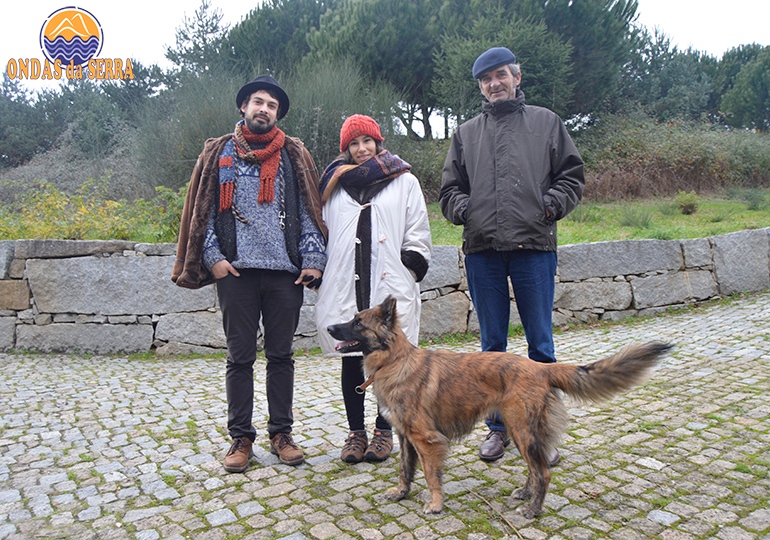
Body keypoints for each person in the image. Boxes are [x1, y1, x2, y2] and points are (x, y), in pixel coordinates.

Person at [172, 74, 328, 472]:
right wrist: (213, 258)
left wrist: (312, 258)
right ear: (244, 107)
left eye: (272, 105)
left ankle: (281, 434)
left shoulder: (294, 154)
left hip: (284, 274)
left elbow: (310, 209)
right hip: (236, 273)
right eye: (258, 101)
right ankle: (240, 438)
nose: (264, 109)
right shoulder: (219, 152)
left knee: (281, 356)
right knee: (239, 358)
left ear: (278, 113)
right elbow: (202, 209)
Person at [439, 47, 585, 464]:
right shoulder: (466, 133)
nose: (494, 83)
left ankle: (541, 434)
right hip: (483, 251)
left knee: (541, 347)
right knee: (491, 349)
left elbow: (572, 176)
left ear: (516, 77)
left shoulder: (547, 123)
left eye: (500, 74)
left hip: (534, 248)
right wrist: (468, 211)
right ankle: (499, 431)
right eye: (485, 79)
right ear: (481, 87)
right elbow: (449, 190)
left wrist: (549, 206)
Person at [315, 114, 432, 463]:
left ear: (378, 143)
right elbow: (320, 232)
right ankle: (355, 433)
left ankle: (384, 433)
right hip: (345, 282)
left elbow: (417, 227)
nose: (362, 149)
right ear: (346, 149)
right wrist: (318, 270)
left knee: (391, 361)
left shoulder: (404, 180)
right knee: (352, 359)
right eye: (354, 143)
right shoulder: (333, 185)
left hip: (388, 282)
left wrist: (410, 265)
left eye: (367, 141)